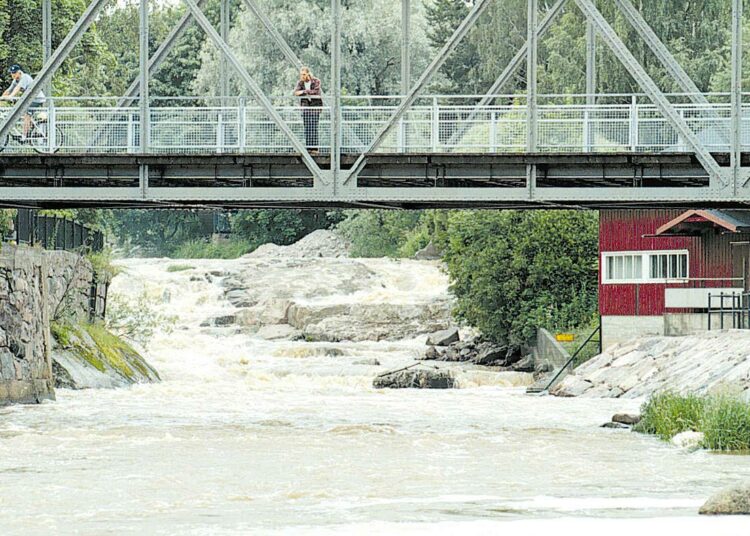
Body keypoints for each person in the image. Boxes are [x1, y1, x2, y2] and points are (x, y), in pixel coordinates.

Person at [1, 64, 46, 140]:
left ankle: (24, 136)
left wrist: (11, 96)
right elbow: (9, 90)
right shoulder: (16, 80)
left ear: (19, 72)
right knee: (21, 112)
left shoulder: (24, 77)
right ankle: (31, 128)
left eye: (14, 73)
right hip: (30, 99)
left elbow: (17, 89)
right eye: (11, 73)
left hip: (37, 99)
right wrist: (2, 98)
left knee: (26, 116)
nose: (12, 75)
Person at [293, 67, 323, 155]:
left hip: (315, 107)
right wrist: (305, 92)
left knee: (314, 127)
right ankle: (309, 148)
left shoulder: (316, 81)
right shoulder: (300, 82)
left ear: (308, 74)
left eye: (304, 74)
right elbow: (296, 92)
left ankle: (315, 148)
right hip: (305, 108)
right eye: (301, 74)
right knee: (307, 128)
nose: (302, 76)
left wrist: (304, 91)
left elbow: (316, 92)